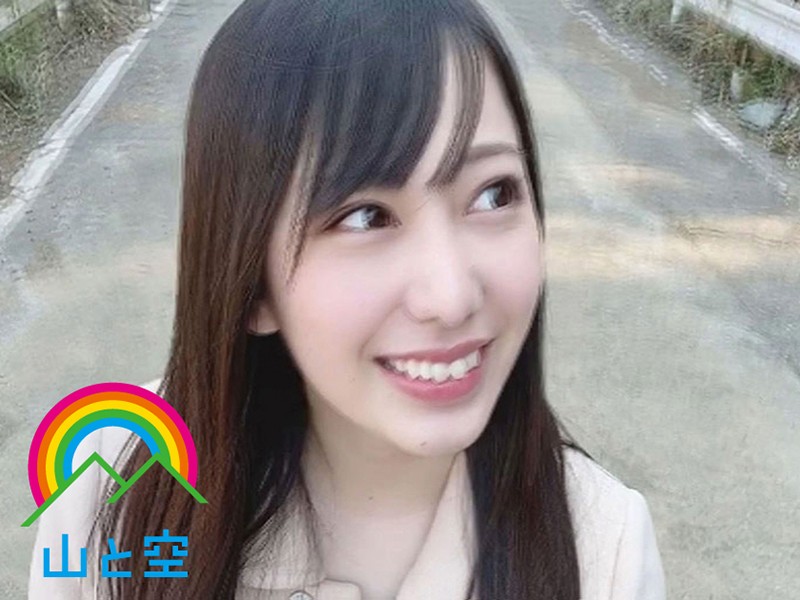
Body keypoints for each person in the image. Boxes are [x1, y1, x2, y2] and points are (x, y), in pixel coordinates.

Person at [28, 0, 666, 598]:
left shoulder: (601, 550)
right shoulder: (113, 488)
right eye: (365, 216)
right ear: (251, 285)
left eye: (493, 194)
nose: (451, 297)